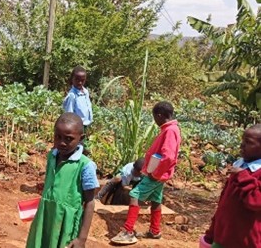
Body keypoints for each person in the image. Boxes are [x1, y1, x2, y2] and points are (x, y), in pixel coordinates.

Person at [111, 101, 181, 245]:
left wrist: (155, 174)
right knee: (156, 199)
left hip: (156, 175)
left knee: (134, 195)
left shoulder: (170, 131)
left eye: (155, 116)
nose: (155, 120)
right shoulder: (170, 129)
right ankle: (155, 231)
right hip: (160, 174)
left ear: (160, 115)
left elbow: (168, 157)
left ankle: (128, 231)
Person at [26, 113, 99, 248]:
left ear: (81, 139)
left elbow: (89, 202)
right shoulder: (52, 156)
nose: (62, 142)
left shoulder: (85, 166)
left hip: (66, 223)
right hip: (45, 216)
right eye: (57, 137)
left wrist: (81, 239)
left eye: (68, 139)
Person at [201, 124, 261, 248]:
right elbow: (224, 204)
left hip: (245, 242)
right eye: (243, 140)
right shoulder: (240, 166)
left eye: (248, 142)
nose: (242, 145)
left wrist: (243, 177)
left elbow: (256, 202)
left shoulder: (252, 173)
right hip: (222, 238)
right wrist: (212, 232)